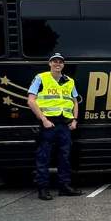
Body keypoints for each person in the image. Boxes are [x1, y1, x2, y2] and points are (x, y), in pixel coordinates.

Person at [26, 52, 81, 200]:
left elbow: (75, 101)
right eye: (54, 61)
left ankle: (64, 187)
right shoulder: (41, 78)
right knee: (44, 156)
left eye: (60, 62)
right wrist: (43, 119)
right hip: (48, 123)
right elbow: (31, 101)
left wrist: (74, 120)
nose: (58, 64)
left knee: (65, 156)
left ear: (63, 65)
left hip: (65, 125)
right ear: (50, 63)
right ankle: (43, 189)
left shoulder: (69, 81)